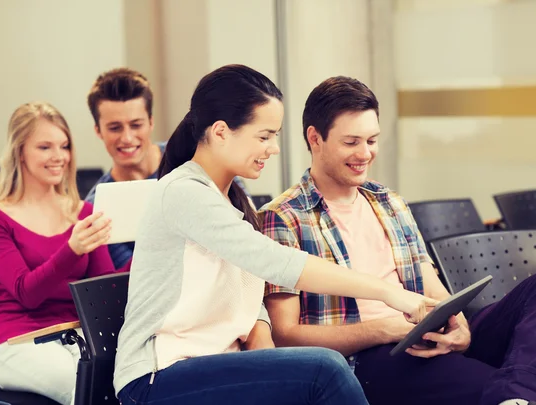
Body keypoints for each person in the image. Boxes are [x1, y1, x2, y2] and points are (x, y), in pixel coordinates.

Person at [113, 65, 437, 405]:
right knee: (324, 368)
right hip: (156, 378)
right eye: (264, 136)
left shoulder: (232, 199)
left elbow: (250, 302)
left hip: (215, 365)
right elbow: (278, 263)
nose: (274, 148)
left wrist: (269, 358)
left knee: (313, 372)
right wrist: (389, 293)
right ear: (222, 132)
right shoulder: (183, 193)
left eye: (276, 135)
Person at [261, 76, 536, 405]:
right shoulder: (284, 217)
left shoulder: (389, 201)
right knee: (493, 388)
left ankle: (521, 393)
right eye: (351, 142)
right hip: (370, 358)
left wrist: (460, 327)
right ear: (314, 138)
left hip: (426, 332)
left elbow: (432, 288)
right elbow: (285, 335)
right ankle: (523, 393)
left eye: (372, 140)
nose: (365, 153)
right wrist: (383, 329)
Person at [0, 102, 118, 405]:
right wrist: (72, 249)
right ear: (20, 152)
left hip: (79, 338)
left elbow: (102, 291)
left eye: (64, 146)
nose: (58, 157)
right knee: (87, 387)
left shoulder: (83, 212)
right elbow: (27, 293)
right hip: (18, 343)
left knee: (138, 377)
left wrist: (148, 255)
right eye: (45, 147)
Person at [85, 68, 249, 268]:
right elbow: (132, 274)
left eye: (136, 125)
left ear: (151, 122)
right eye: (114, 128)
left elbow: (244, 214)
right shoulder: (98, 206)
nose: (127, 138)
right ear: (98, 131)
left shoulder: (196, 155)